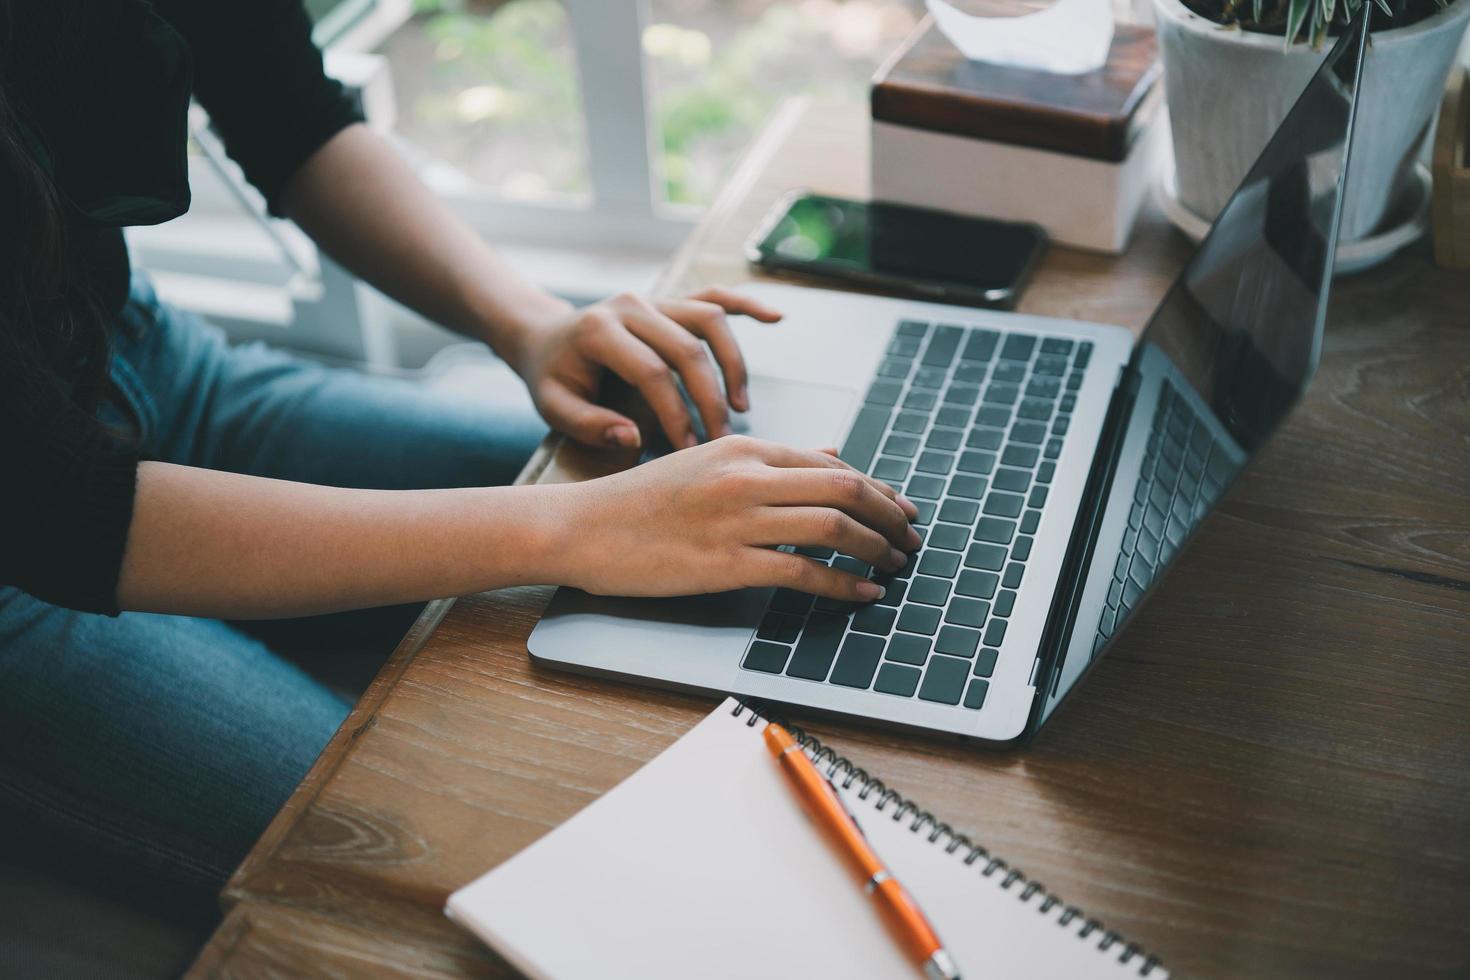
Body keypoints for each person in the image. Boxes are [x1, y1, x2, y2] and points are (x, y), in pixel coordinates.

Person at [0, 0, 918, 906]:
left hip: (137, 356)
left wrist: (532, 328)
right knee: (482, 857)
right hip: (27, 554)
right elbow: (61, 513)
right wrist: (573, 528)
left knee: (695, 504)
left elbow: (289, 115)